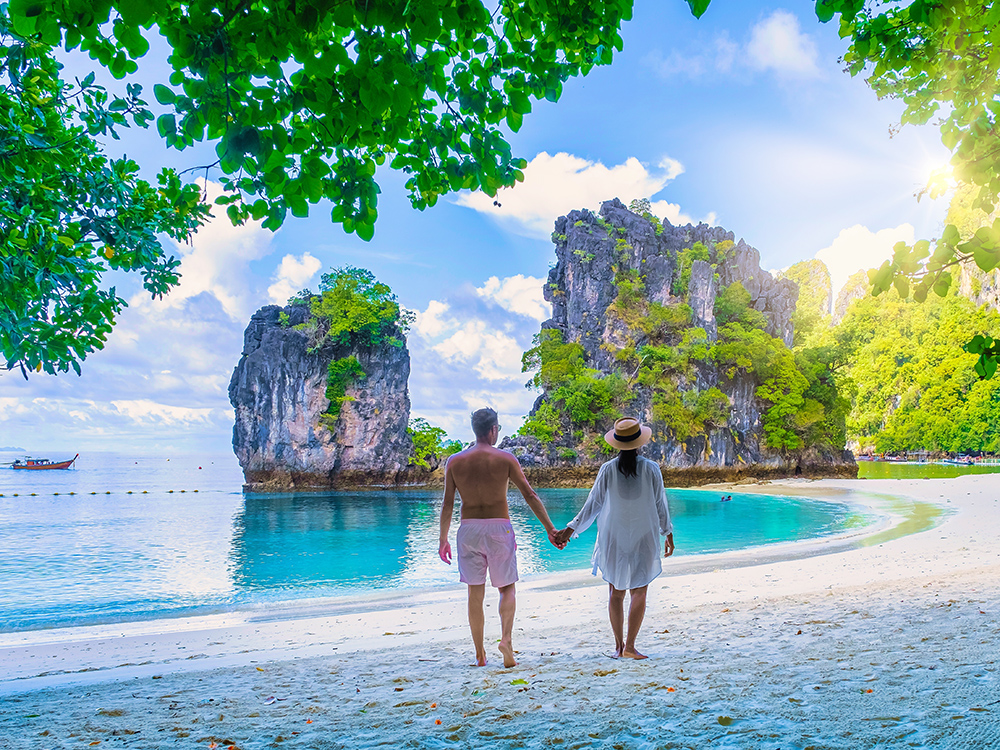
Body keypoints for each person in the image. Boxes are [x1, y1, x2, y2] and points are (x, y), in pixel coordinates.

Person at [438, 407, 564, 668]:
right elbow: (530, 495)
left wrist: (443, 539)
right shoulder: (506, 459)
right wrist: (550, 529)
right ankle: (506, 640)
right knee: (506, 588)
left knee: (475, 592)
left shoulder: (455, 461)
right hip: (499, 528)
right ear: (493, 430)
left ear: (475, 430)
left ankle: (480, 655)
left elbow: (448, 503)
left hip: (469, 529)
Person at [553, 417, 674, 659]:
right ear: (640, 442)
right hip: (644, 535)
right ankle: (630, 646)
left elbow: (593, 505)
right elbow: (661, 504)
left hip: (612, 536)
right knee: (639, 590)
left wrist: (570, 530)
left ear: (617, 444)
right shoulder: (651, 469)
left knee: (615, 592)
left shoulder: (608, 469)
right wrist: (667, 533)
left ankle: (619, 647)